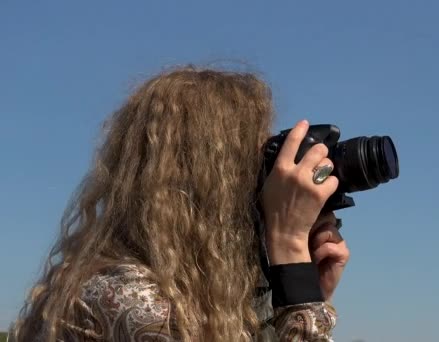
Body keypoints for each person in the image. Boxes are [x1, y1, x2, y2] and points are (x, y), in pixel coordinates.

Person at [11, 67, 350, 341]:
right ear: (216, 185)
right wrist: (289, 247)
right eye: (256, 164)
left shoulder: (154, 291)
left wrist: (306, 290)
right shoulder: (131, 301)